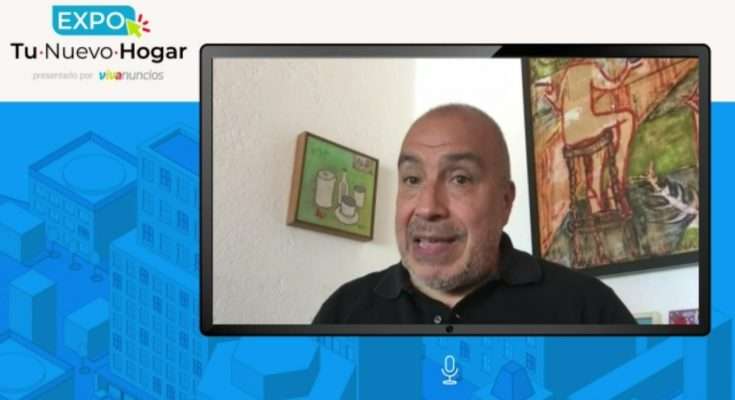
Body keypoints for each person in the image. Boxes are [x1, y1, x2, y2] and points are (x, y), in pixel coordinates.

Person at [313, 103, 636, 324]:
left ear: (505, 202)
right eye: (412, 179)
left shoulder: (588, 310)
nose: (427, 207)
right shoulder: (343, 313)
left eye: (460, 179)